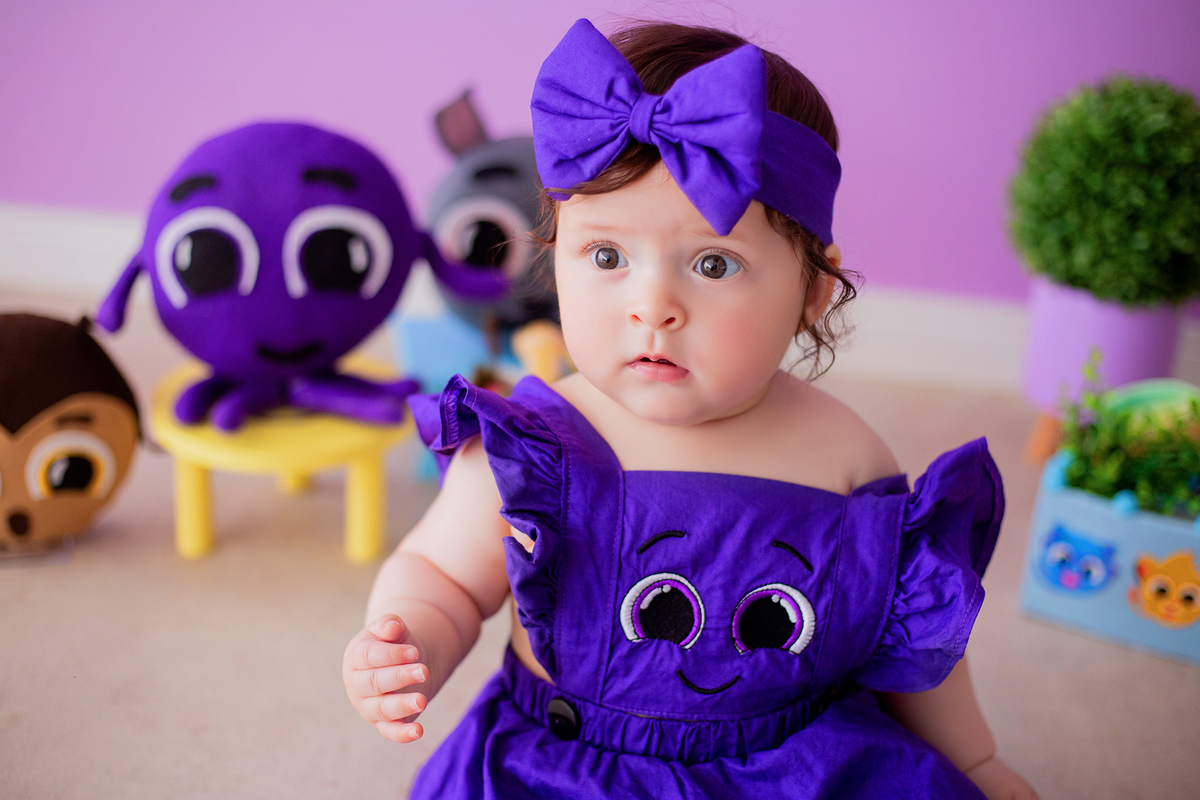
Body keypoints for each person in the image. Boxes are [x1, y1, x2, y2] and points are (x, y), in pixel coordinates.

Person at [344, 18, 1039, 800]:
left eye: (713, 263)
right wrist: (409, 640)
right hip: (568, 764)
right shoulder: (531, 448)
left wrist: (974, 761)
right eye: (607, 256)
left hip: (790, 762)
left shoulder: (848, 459)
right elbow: (441, 572)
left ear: (812, 292)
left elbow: (909, 642)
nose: (653, 306)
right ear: (556, 256)